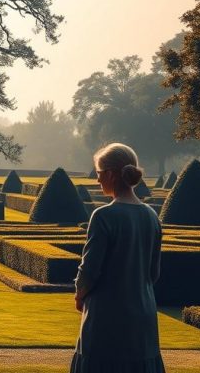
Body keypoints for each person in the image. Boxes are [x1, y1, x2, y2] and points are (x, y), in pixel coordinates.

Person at [71, 143, 164, 373]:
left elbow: (89, 271)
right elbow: (154, 273)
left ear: (111, 174)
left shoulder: (104, 216)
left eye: (99, 174)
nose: (97, 180)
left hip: (106, 315)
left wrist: (79, 295)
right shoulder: (152, 216)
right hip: (143, 314)